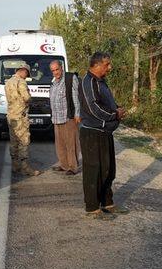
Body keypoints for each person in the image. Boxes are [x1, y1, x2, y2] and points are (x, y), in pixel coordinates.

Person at [78, 52, 127, 220]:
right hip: (92, 132)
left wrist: (118, 109)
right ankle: (92, 207)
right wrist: (115, 114)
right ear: (97, 65)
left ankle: (107, 202)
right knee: (93, 170)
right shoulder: (88, 82)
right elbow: (94, 109)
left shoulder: (101, 82)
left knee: (108, 169)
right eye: (107, 65)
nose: (110, 68)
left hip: (105, 131)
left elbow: (106, 103)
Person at [5, 63, 42, 176]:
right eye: (27, 73)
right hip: (21, 116)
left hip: (11, 116)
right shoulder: (21, 82)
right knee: (24, 141)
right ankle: (25, 168)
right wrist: (30, 99)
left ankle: (15, 166)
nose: (26, 76)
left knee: (14, 141)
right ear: (23, 71)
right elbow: (26, 97)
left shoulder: (8, 82)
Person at [49, 60, 82, 175]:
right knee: (60, 144)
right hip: (56, 118)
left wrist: (77, 114)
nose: (55, 72)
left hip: (68, 117)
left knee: (71, 143)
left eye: (56, 69)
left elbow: (75, 97)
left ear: (61, 67)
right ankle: (64, 165)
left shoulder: (70, 78)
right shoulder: (54, 82)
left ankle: (73, 167)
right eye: (53, 71)